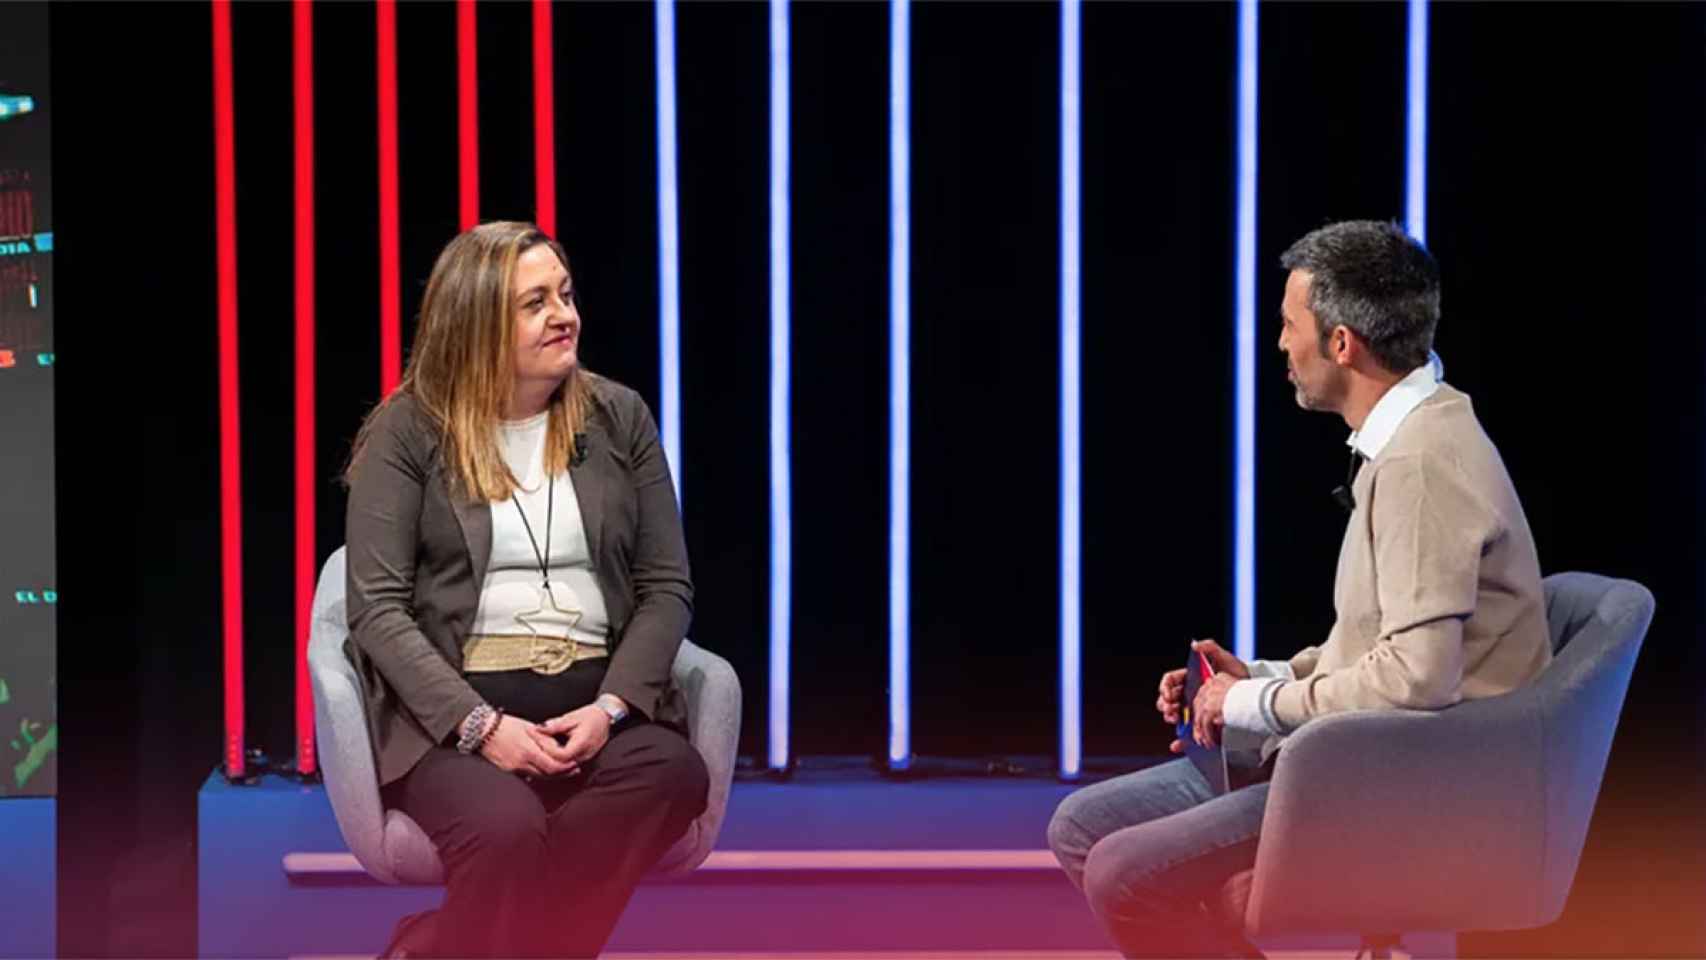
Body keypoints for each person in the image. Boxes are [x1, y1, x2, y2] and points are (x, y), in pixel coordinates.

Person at [1047, 220, 1553, 958]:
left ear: (1342, 343)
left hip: (1411, 785)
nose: (1281, 345)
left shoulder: (1421, 466)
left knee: (1126, 869)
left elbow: (1416, 680)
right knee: (1081, 828)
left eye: (1289, 326)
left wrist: (1248, 706)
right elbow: (1384, 645)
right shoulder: (1412, 441)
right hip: (1368, 758)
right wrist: (1254, 679)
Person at [344, 221, 709, 957]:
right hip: (453, 719)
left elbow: (665, 584)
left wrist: (611, 708)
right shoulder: (409, 430)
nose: (564, 316)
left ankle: (441, 940)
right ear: (477, 321)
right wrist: (481, 727)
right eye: (535, 303)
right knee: (506, 831)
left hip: (592, 706)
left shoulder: (618, 417)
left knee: (674, 772)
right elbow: (375, 610)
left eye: (566, 296)